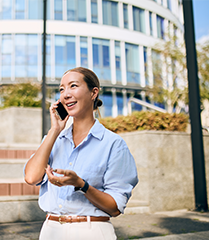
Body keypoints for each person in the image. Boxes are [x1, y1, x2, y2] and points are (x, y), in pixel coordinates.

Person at [24, 67, 138, 240]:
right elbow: (31, 178)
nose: (65, 94)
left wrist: (81, 185)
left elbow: (114, 208)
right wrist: (55, 130)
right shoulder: (54, 138)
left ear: (93, 93)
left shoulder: (113, 144)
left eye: (73, 86)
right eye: (62, 89)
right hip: (51, 230)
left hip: (92, 231)